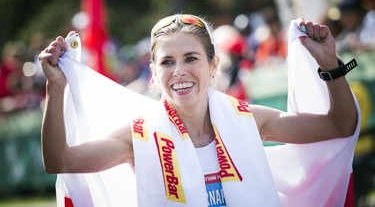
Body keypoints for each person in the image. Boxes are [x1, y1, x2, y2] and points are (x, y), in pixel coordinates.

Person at [38, 14, 359, 206]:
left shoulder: (248, 119)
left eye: (191, 58)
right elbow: (60, 161)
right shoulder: (138, 136)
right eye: (167, 62)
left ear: (213, 65)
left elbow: (339, 126)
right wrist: (56, 86)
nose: (179, 71)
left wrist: (330, 63)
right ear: (154, 72)